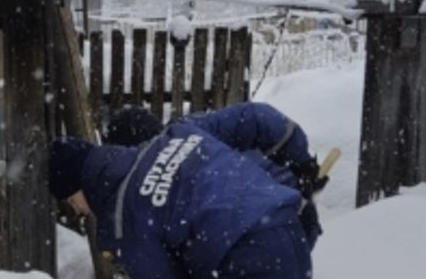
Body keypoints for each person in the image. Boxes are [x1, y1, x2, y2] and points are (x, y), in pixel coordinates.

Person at [50, 103, 328, 279]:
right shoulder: (180, 133)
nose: (78, 210)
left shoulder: (125, 216)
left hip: (250, 265)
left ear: (80, 186)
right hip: (292, 234)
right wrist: (301, 162)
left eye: (72, 201)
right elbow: (255, 117)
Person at [104, 104, 325, 249]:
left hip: (273, 223)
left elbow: (257, 117)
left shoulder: (152, 182)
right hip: (282, 219)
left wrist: (301, 163)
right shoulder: (190, 129)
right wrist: (302, 165)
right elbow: (256, 117)